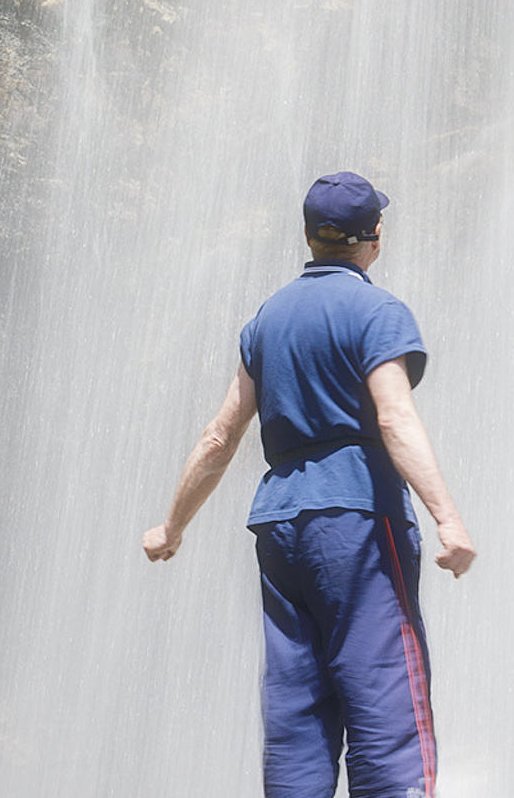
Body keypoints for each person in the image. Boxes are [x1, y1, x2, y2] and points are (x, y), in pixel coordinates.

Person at [142, 171, 477, 798]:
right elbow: (393, 416)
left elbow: (220, 437)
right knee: (384, 695)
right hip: (357, 516)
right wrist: (447, 519)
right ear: (374, 238)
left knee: (297, 707)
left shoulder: (268, 318)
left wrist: (172, 525)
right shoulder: (377, 311)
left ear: (308, 236)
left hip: (278, 523)